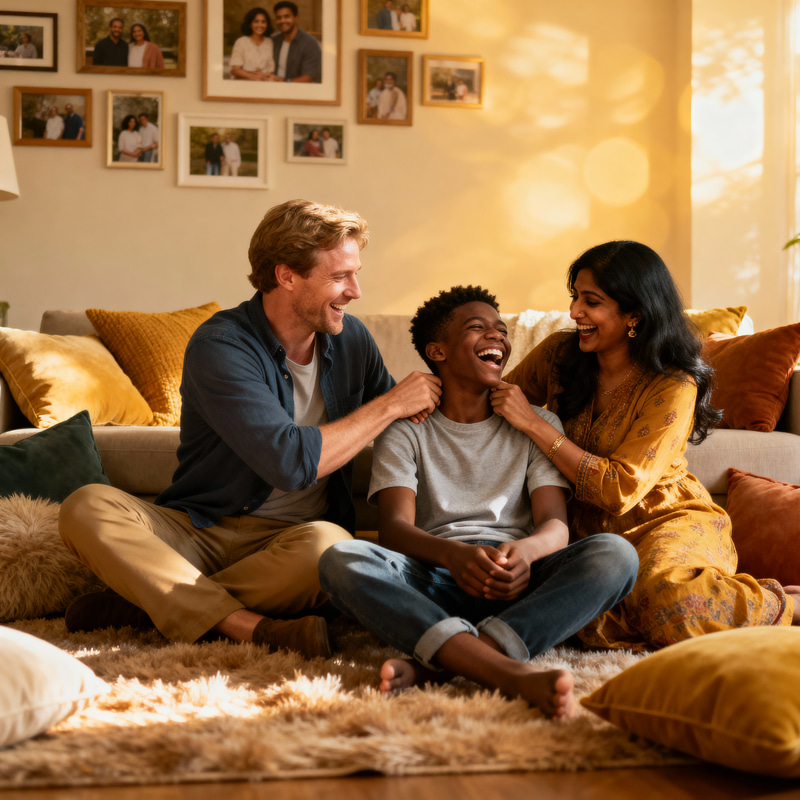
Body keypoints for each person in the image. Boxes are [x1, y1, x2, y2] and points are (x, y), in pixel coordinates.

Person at [59, 199, 442, 661]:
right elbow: (290, 462)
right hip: (200, 530)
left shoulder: (351, 339)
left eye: (355, 273)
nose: (355, 291)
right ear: (286, 276)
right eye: (340, 277)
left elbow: (410, 420)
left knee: (333, 547)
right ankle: (248, 627)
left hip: (294, 542)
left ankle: (150, 606)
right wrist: (392, 402)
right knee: (86, 505)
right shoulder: (221, 344)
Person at [319, 286, 638, 719]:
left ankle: (441, 665)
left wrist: (525, 553)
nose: (497, 337)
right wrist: (456, 557)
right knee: (341, 559)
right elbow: (394, 529)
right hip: (434, 580)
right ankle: (511, 673)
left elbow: (555, 526)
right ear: (438, 351)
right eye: (477, 327)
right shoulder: (405, 429)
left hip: (519, 585)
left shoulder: (536, 421)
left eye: (501, 330)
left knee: (616, 555)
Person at [492, 240, 800, 651]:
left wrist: (534, 423)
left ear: (634, 313)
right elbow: (492, 406)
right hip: (582, 529)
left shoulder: (673, 384)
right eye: (574, 297)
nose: (574, 313)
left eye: (591, 301)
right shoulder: (558, 356)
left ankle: (786, 603)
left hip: (664, 521)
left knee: (674, 605)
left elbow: (619, 490)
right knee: (558, 605)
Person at [271, 1, 322, 84]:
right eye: (278, 17)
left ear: (296, 17)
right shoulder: (273, 41)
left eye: (286, 16)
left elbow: (308, 77)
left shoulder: (310, 44)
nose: (282, 20)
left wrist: (284, 82)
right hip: (272, 90)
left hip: (299, 92)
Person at [229, 7, 275, 81]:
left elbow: (270, 68)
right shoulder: (241, 42)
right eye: (256, 21)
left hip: (264, 84)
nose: (260, 25)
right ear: (250, 24)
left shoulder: (269, 42)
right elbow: (235, 70)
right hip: (244, 84)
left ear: (267, 24)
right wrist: (252, 76)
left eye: (263, 22)